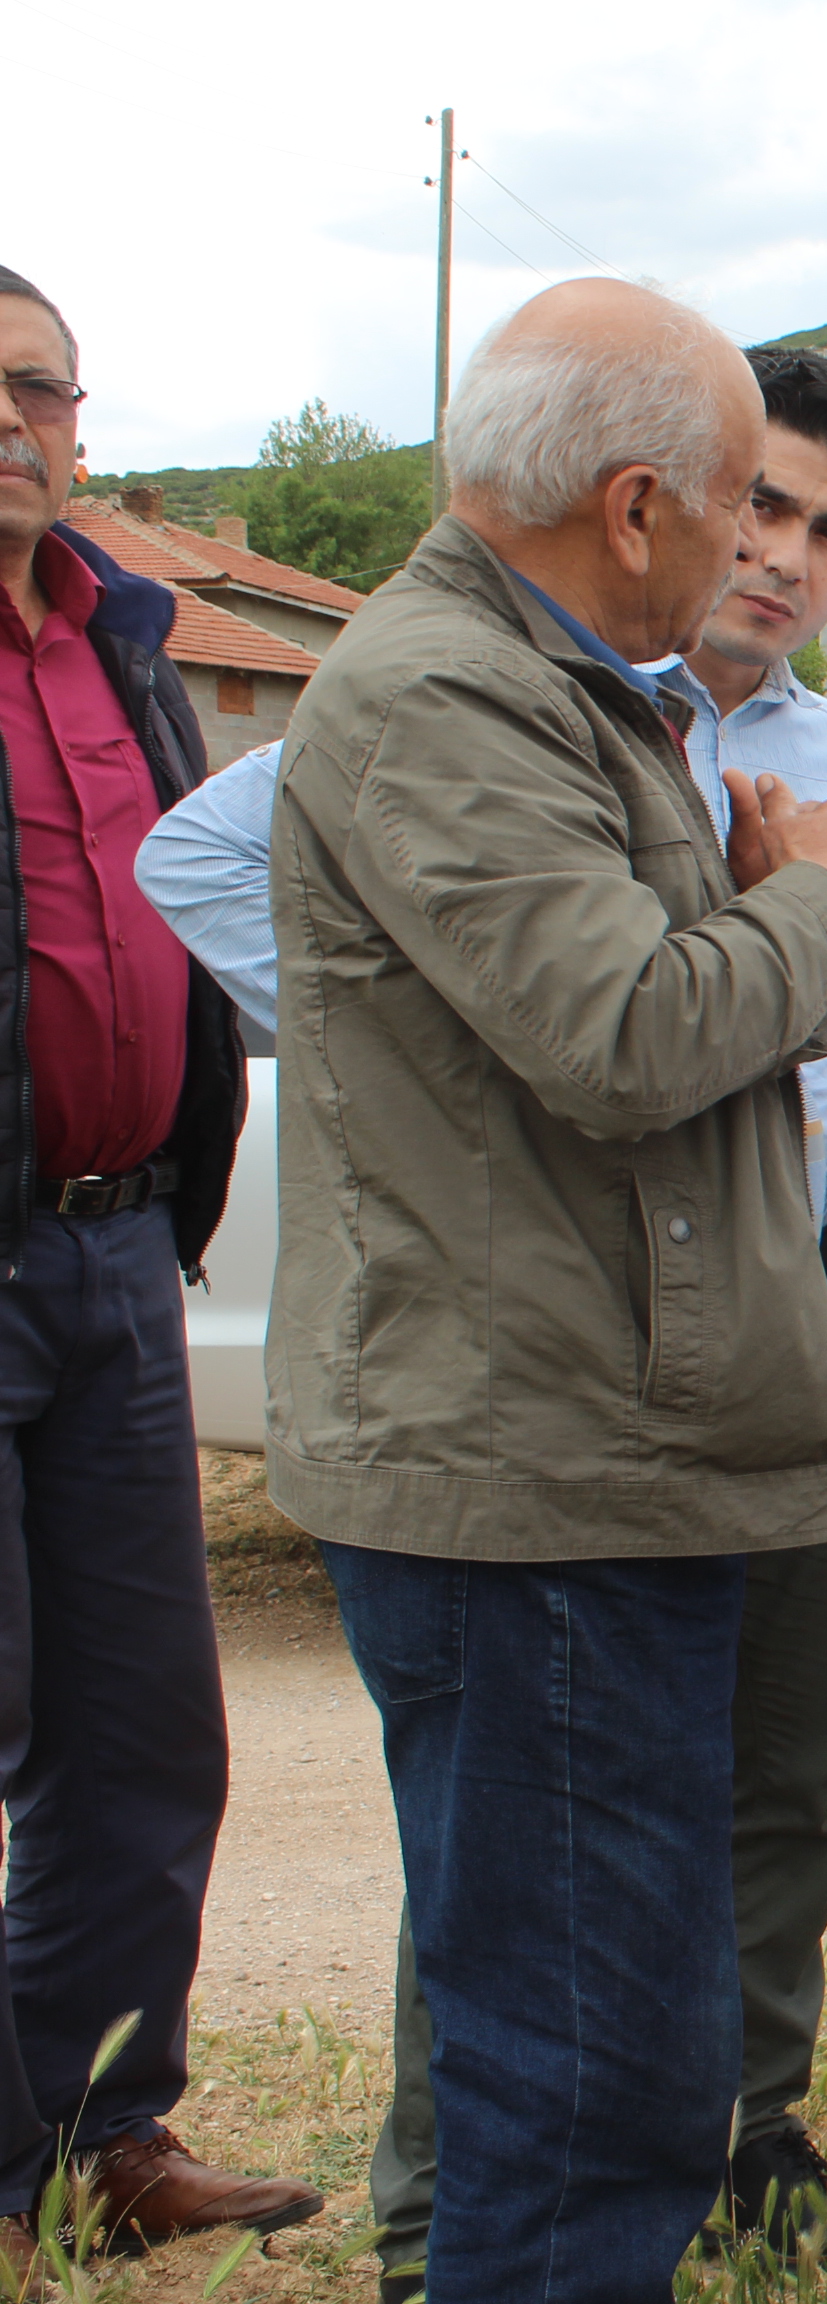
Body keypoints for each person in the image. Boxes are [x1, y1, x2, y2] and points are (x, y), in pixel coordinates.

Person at [136, 345, 827, 2292]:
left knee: (640, 1966)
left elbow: (682, 1010)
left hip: (674, 1379)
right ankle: (465, 2233)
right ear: (640, 504)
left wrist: (824, 980)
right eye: (743, 498)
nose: (769, 553)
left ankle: (705, 2168)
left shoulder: (591, 700)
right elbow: (618, 1035)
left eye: (823, 524)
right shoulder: (454, 695)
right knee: (560, 2024)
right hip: (541, 1431)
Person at [0, 263, 319, 2287]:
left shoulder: (123, 644)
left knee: (140, 1733)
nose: (23, 422)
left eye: (46, 388)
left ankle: (96, 2127)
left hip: (120, 1253)